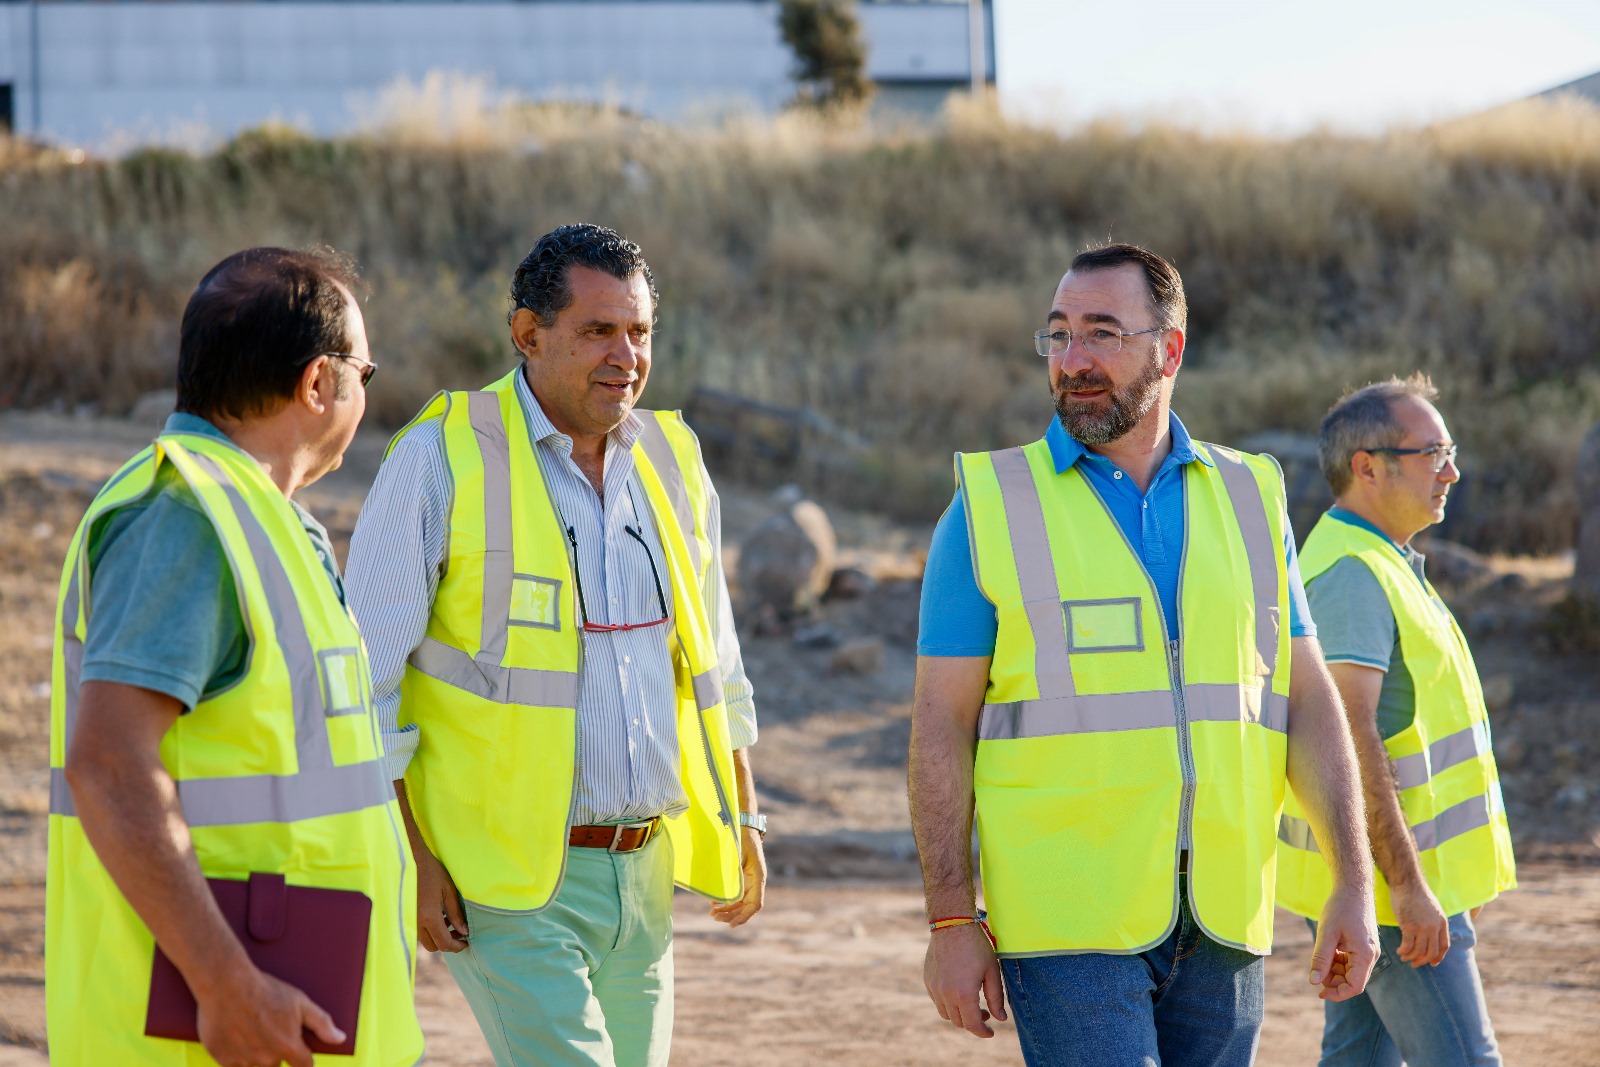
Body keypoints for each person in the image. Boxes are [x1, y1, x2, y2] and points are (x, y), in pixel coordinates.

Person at [908, 243, 1380, 1067]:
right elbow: (939, 726)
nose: (1073, 360)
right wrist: (952, 916)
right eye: (1057, 336)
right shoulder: (987, 508)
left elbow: (1305, 698)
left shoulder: (1251, 495)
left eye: (1100, 333)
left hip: (1225, 916)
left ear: (1169, 349)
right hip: (1066, 923)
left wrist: (1353, 877)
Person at [345, 223, 765, 1067]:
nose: (627, 356)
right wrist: (412, 858)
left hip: (642, 872)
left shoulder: (673, 461)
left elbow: (716, 663)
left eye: (640, 331)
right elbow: (363, 686)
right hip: (503, 879)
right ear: (528, 335)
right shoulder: (439, 458)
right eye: (598, 331)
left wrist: (744, 811)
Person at [45, 247, 422, 1067]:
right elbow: (109, 764)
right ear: (320, 383)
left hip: (288, 1020)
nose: (367, 389)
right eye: (365, 369)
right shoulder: (184, 519)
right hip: (210, 1030)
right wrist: (223, 982)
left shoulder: (273, 523)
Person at [1276, 375, 1516, 1066]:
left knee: (1357, 1059)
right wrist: (1408, 885)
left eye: (1451, 450)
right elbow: (1351, 738)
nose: (1452, 470)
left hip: (1391, 884)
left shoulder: (1380, 560)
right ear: (1367, 466)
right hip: (1387, 892)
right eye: (1434, 451)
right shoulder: (1353, 574)